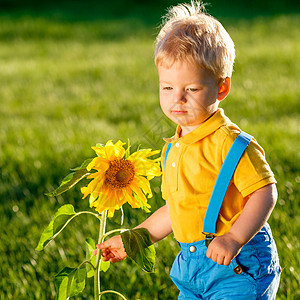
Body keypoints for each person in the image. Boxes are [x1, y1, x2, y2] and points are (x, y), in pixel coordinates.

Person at [98, 1, 281, 299]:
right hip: (190, 268)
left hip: (238, 264)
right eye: (167, 88)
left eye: (191, 90)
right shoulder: (174, 148)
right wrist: (134, 239)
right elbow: (174, 210)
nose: (177, 100)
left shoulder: (230, 143)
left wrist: (234, 238)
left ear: (221, 89)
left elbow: (265, 192)